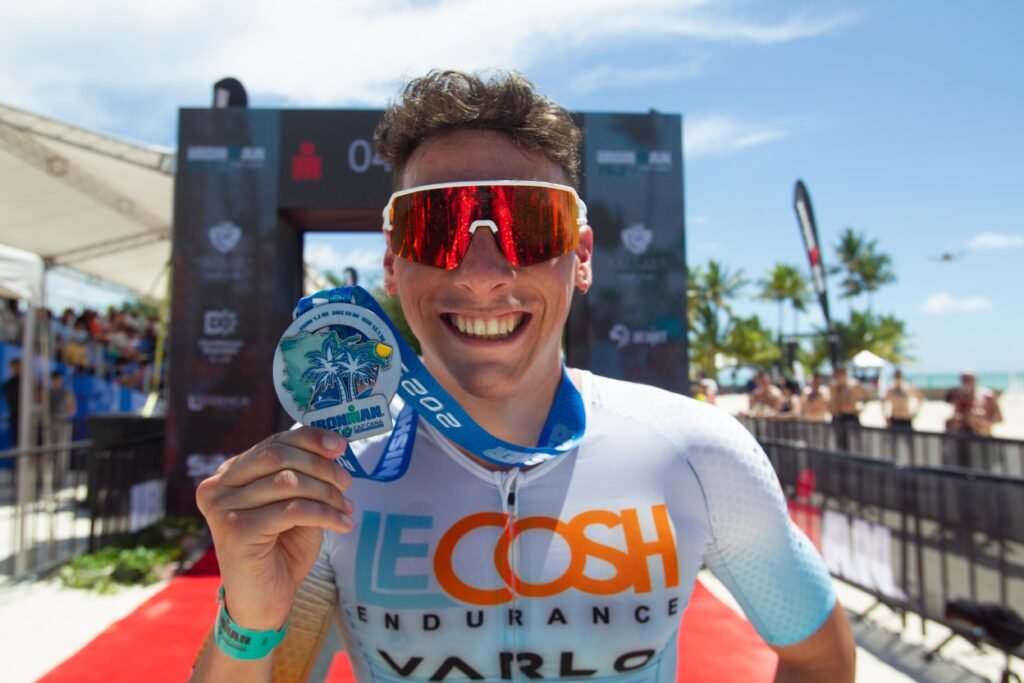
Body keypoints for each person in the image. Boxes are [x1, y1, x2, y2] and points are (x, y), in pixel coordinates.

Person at [191, 70, 855, 682]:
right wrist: (247, 624)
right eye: (436, 228)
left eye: (530, 225)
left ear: (581, 256)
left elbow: (819, 658)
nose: (482, 274)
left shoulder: (698, 452)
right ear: (393, 264)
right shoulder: (330, 474)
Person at [946, 370, 1003, 436]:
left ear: (975, 380)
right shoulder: (959, 395)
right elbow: (956, 416)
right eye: (964, 379)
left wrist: (983, 421)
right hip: (962, 434)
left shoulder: (987, 395)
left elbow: (999, 418)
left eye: (969, 379)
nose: (966, 382)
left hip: (982, 434)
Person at [3, 358, 22, 448]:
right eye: (15, 367)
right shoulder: (8, 385)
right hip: (15, 417)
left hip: (24, 418)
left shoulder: (29, 383)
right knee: (16, 442)